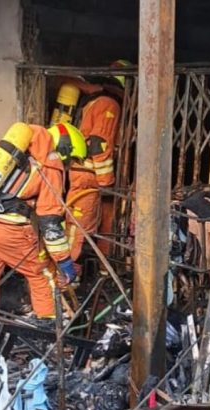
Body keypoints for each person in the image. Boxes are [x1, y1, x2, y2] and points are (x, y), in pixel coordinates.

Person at [0, 122, 87, 352]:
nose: (67, 165)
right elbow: (50, 221)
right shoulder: (51, 164)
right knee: (42, 276)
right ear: (65, 148)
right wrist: (64, 261)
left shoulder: (6, 150)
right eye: (70, 160)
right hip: (11, 232)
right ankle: (51, 342)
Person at [52, 62, 127, 269]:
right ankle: (67, 280)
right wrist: (106, 181)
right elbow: (98, 144)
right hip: (89, 177)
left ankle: (98, 274)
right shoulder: (109, 104)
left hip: (85, 174)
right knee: (78, 229)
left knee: (96, 226)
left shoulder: (95, 102)